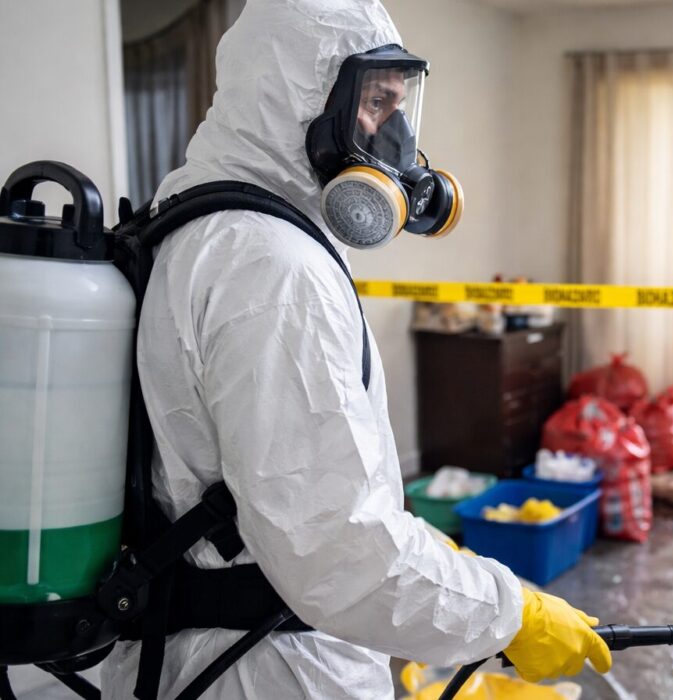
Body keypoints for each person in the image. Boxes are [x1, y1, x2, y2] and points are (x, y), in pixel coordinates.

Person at [100, 0, 610, 697]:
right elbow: (337, 550)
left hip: (216, 645)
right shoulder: (272, 267)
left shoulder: (198, 220)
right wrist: (509, 614)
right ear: (297, 97)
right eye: (374, 102)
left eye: (400, 105)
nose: (394, 136)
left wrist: (419, 584)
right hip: (268, 668)